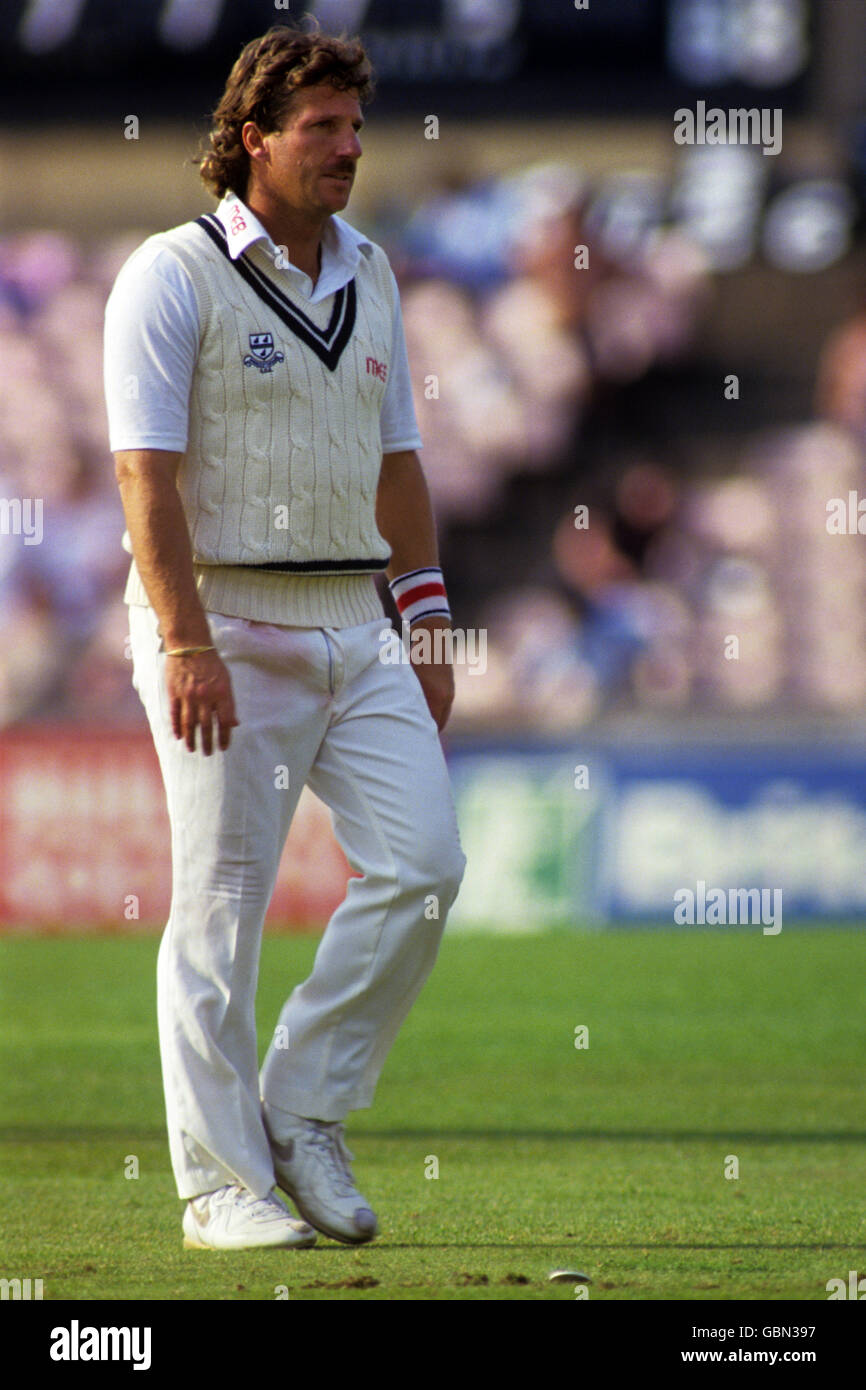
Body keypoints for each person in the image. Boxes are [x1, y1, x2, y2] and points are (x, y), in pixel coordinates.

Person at [103, 25, 466, 1252]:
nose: (348, 150)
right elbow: (143, 475)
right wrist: (185, 643)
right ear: (252, 136)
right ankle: (218, 1187)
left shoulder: (369, 266)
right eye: (321, 128)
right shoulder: (171, 272)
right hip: (220, 619)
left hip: (353, 621)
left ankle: (301, 1105)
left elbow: (398, 458)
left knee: (423, 867)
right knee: (220, 906)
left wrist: (424, 612)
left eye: (355, 129)